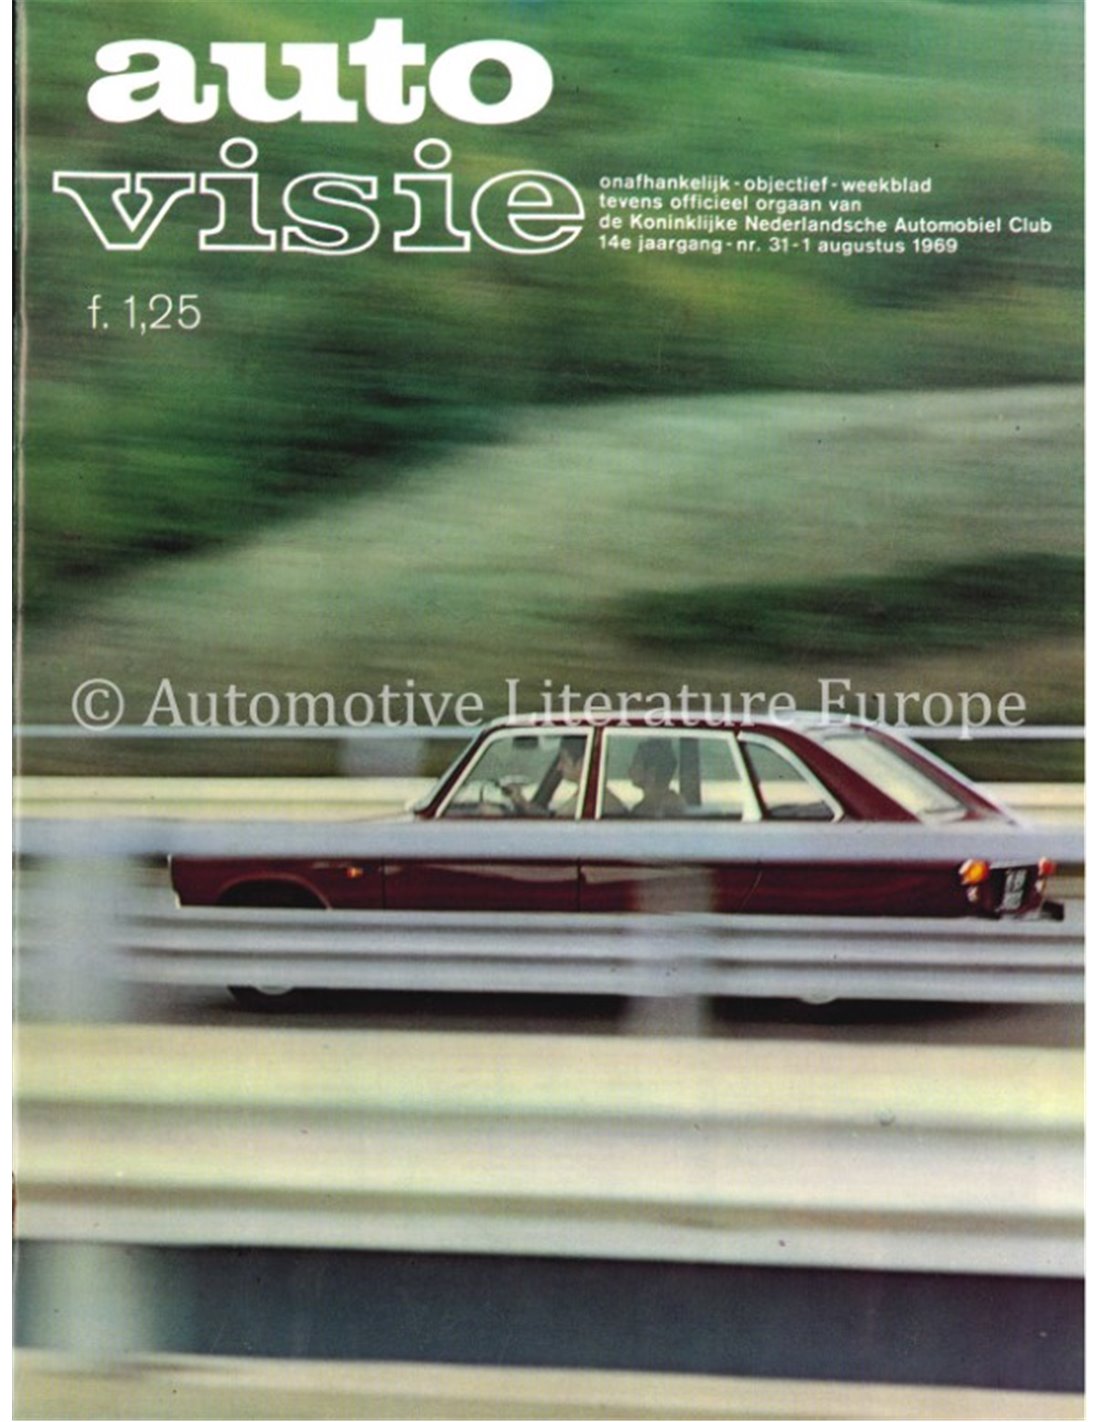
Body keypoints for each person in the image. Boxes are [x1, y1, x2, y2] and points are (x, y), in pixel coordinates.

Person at [628, 738, 685, 818]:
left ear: (651, 773)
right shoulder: (642, 808)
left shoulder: (670, 809)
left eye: (636, 763)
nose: (630, 770)